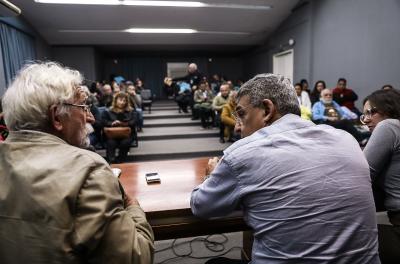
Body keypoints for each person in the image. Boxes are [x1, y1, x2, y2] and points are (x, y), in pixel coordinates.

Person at [191, 73, 379, 264]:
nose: (238, 128)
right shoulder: (347, 139)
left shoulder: (242, 153)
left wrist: (212, 175)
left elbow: (201, 206)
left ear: (267, 109)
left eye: (241, 114)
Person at [0, 62, 154, 263]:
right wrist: (133, 207)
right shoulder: (89, 170)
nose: (90, 117)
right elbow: (136, 258)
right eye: (83, 107)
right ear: (57, 116)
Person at [362, 89, 400, 263]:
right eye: (364, 115)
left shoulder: (388, 125)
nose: (367, 119)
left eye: (372, 111)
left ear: (389, 108)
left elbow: (362, 173)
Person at [102, 92, 137, 163]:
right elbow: (103, 122)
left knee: (125, 143)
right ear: (116, 100)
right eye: (120, 100)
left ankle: (120, 161)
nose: (122, 102)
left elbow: (134, 122)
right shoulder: (108, 111)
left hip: (127, 135)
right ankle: (111, 161)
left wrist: (122, 123)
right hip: (112, 134)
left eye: (124, 100)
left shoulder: (131, 110)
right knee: (111, 143)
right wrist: (112, 123)